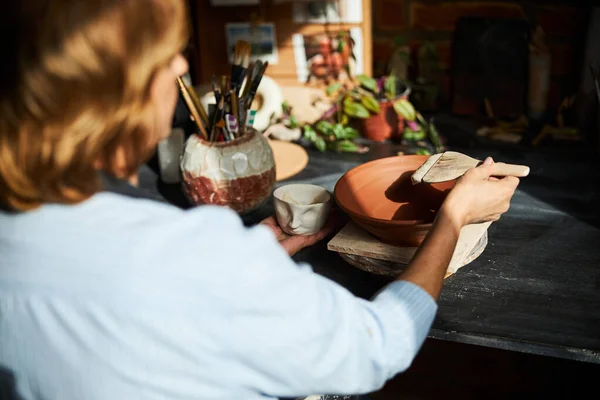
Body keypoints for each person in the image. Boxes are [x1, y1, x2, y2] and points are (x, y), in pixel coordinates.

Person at [0, 1, 520, 399]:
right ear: (115, 94)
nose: (181, 62)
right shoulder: (191, 252)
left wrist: (238, 263)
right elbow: (378, 345)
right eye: (162, 57)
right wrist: (453, 217)